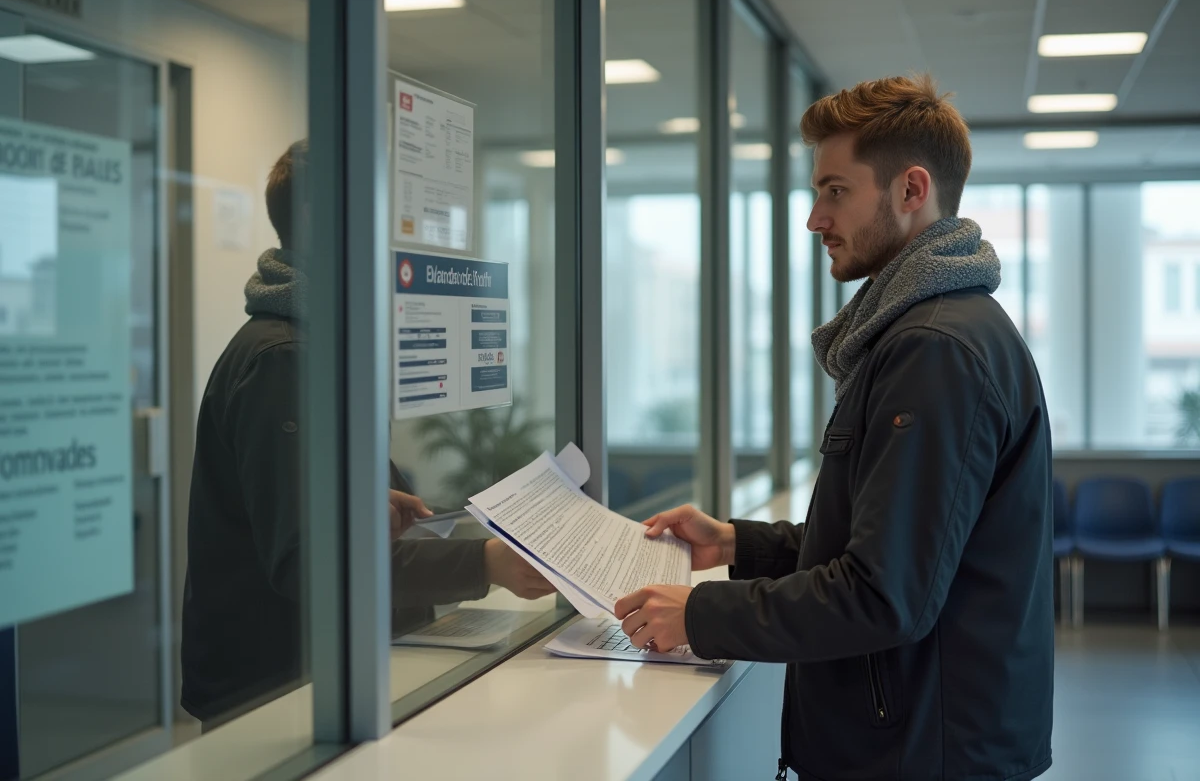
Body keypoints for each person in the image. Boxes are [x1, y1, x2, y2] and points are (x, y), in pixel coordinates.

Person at [616, 76, 1054, 781]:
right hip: (925, 739)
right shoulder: (929, 330)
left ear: (912, 190)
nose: (816, 218)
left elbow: (884, 593)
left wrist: (701, 615)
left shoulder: (934, 349)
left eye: (835, 191)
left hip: (922, 754)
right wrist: (738, 543)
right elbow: (891, 542)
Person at [181, 140, 554, 729]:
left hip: (316, 671)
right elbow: (310, 561)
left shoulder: (312, 343)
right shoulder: (286, 357)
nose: (388, 239)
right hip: (282, 694)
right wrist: (484, 563)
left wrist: (364, 504)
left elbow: (299, 513)